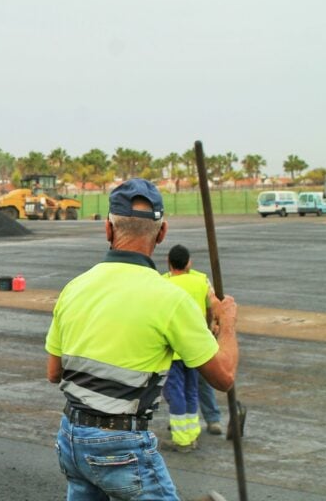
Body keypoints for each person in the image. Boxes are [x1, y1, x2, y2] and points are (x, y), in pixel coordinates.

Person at [45, 178, 239, 500]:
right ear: (161, 233)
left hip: (71, 438)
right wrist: (228, 323)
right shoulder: (170, 300)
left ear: (108, 229)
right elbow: (224, 376)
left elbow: (54, 373)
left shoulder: (73, 287)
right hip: (121, 444)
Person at [161, 244, 212, 451]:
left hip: (173, 351)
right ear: (189, 262)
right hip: (195, 348)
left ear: (169, 263)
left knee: (176, 393)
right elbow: (210, 310)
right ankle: (192, 433)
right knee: (192, 390)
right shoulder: (201, 282)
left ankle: (181, 439)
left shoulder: (164, 283)